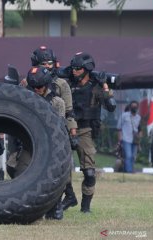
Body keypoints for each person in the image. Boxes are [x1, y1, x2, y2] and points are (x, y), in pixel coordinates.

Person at [29, 46, 79, 218]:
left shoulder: (61, 84)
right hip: (31, 134)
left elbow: (69, 112)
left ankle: (58, 203)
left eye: (50, 63)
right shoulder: (27, 82)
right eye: (44, 63)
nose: (48, 66)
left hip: (57, 131)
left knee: (61, 170)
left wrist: (73, 134)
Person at [67, 52, 116, 213]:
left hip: (85, 130)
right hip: (65, 129)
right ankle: (68, 198)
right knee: (61, 171)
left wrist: (105, 85)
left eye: (78, 68)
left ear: (87, 69)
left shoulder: (95, 86)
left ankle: (85, 207)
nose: (74, 71)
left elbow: (111, 106)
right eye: (73, 68)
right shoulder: (67, 83)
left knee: (89, 172)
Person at [20, 66, 67, 220]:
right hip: (29, 143)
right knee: (20, 170)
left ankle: (55, 205)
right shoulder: (24, 98)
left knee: (57, 174)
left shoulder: (57, 102)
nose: (37, 90)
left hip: (50, 146)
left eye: (40, 87)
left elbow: (59, 126)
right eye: (34, 87)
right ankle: (28, 207)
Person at [117, 100, 141, 173]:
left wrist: (139, 139)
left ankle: (130, 169)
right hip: (126, 138)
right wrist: (120, 139)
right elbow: (119, 127)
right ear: (130, 107)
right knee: (128, 155)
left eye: (135, 106)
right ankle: (129, 171)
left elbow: (139, 129)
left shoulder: (138, 117)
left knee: (133, 156)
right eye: (133, 106)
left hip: (135, 139)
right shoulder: (124, 115)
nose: (134, 108)